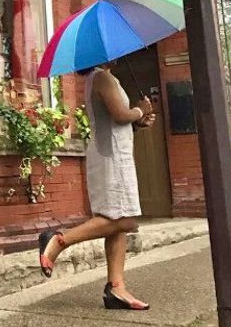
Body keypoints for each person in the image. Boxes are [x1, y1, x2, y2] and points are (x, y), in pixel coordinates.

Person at [37, 64, 155, 310]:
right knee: (126, 220)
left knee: (115, 223)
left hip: (110, 152)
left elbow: (114, 121)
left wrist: (138, 122)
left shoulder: (102, 77)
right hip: (113, 157)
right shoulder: (101, 77)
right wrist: (139, 109)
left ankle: (116, 288)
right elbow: (121, 114)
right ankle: (58, 241)